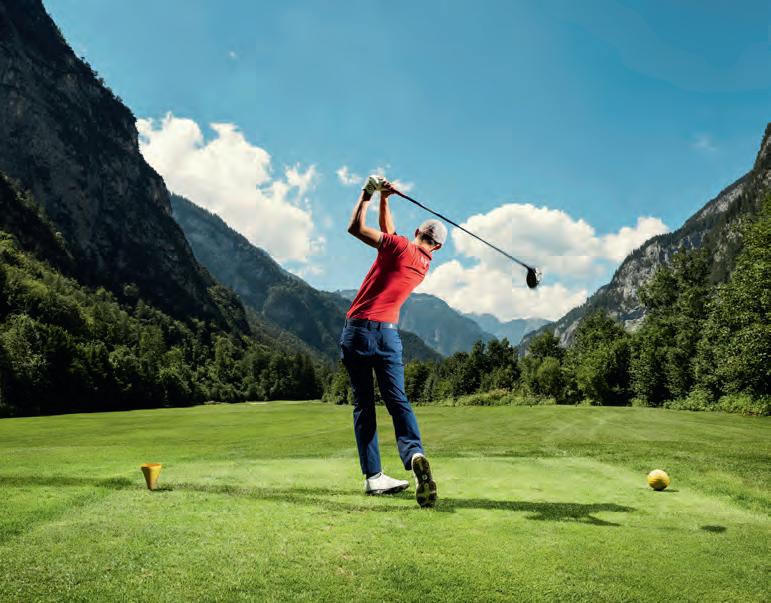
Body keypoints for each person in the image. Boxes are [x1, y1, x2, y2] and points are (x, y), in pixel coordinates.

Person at [341, 175, 446, 508]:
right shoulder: (423, 264)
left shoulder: (397, 246)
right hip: (388, 336)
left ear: (417, 232)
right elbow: (389, 234)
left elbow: (355, 229)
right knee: (397, 400)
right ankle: (414, 454)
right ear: (437, 247)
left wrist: (368, 193)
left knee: (364, 405)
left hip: (358, 331)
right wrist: (386, 199)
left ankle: (374, 477)